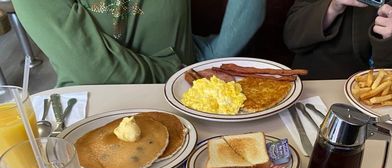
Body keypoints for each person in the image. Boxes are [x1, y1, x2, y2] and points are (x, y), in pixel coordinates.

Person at [12, 0, 265, 87]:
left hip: (188, 97)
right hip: (97, 108)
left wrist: (214, 51)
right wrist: (181, 69)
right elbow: (96, 71)